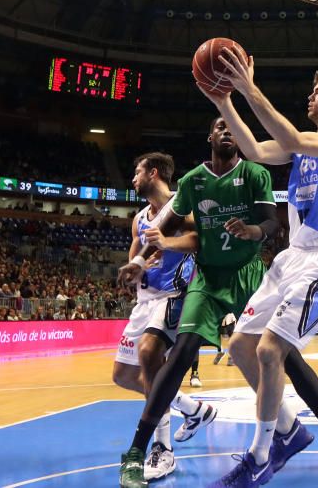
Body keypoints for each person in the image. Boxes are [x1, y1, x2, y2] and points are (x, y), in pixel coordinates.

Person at [119, 117, 318, 488]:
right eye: (219, 126)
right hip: (209, 278)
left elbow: (271, 223)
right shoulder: (194, 180)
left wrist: (252, 231)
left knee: (287, 357)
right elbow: (166, 224)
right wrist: (138, 261)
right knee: (181, 353)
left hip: (249, 273)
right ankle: (138, 450)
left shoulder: (254, 174)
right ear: (210, 136)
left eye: (231, 126)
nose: (227, 130)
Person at [201, 54, 318, 487]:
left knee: (271, 351)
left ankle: (259, 455)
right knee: (240, 346)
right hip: (291, 258)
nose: (308, 98)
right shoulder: (302, 148)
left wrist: (247, 86)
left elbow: (290, 136)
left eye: (315, 92)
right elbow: (255, 149)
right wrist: (223, 102)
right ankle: (290, 429)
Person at [111, 152, 202, 481]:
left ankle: (162, 449)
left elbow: (197, 240)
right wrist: (131, 268)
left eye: (137, 172)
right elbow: (135, 253)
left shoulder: (181, 204)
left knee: (150, 355)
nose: (133, 178)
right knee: (122, 375)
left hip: (173, 297)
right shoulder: (138, 218)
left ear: (153, 173)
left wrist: (167, 241)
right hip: (144, 300)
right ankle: (192, 409)